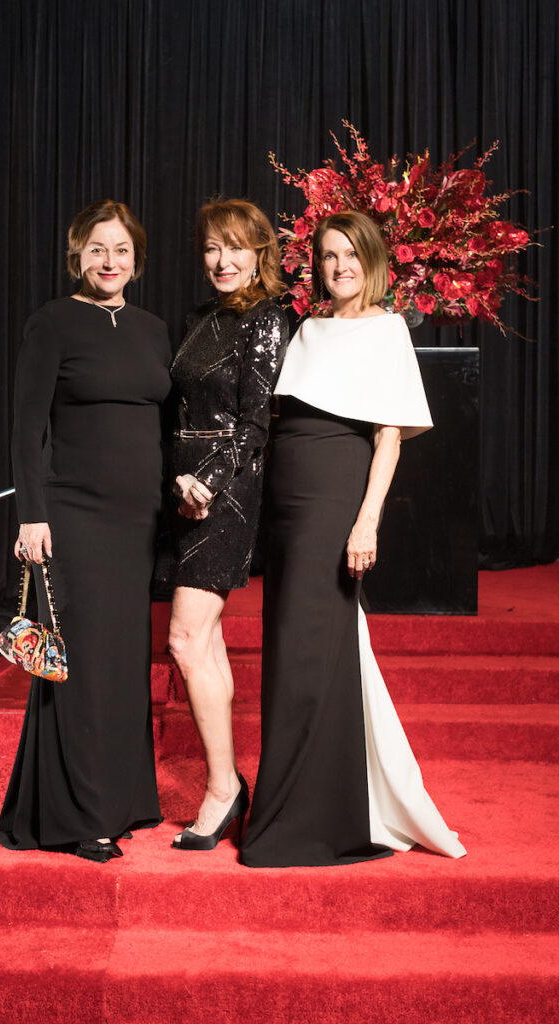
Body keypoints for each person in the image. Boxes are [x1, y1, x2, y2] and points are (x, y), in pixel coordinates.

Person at [241, 210, 466, 867]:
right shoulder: (308, 327)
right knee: (294, 649)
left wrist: (366, 520)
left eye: (350, 255)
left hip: (334, 499)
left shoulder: (387, 329)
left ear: (373, 261)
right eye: (328, 255)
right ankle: (316, 805)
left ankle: (303, 822)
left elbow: (388, 436)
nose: (339, 266)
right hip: (284, 502)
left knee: (306, 651)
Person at [0, 199, 171, 863]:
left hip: (136, 521)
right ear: (77, 257)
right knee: (80, 665)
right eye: (95, 249)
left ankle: (127, 799)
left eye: (119, 249)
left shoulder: (152, 330)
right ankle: (81, 817)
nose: (108, 261)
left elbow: (162, 428)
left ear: (136, 259)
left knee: (123, 662)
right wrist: (32, 515)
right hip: (73, 518)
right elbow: (26, 427)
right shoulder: (53, 322)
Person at [163, 199, 289, 850]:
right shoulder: (198, 318)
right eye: (212, 247)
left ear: (260, 253)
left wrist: (208, 483)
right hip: (178, 489)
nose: (222, 260)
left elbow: (256, 420)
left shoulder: (267, 319)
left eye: (236, 247)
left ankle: (221, 788)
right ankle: (225, 783)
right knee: (201, 644)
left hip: (227, 493)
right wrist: (173, 481)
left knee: (186, 640)